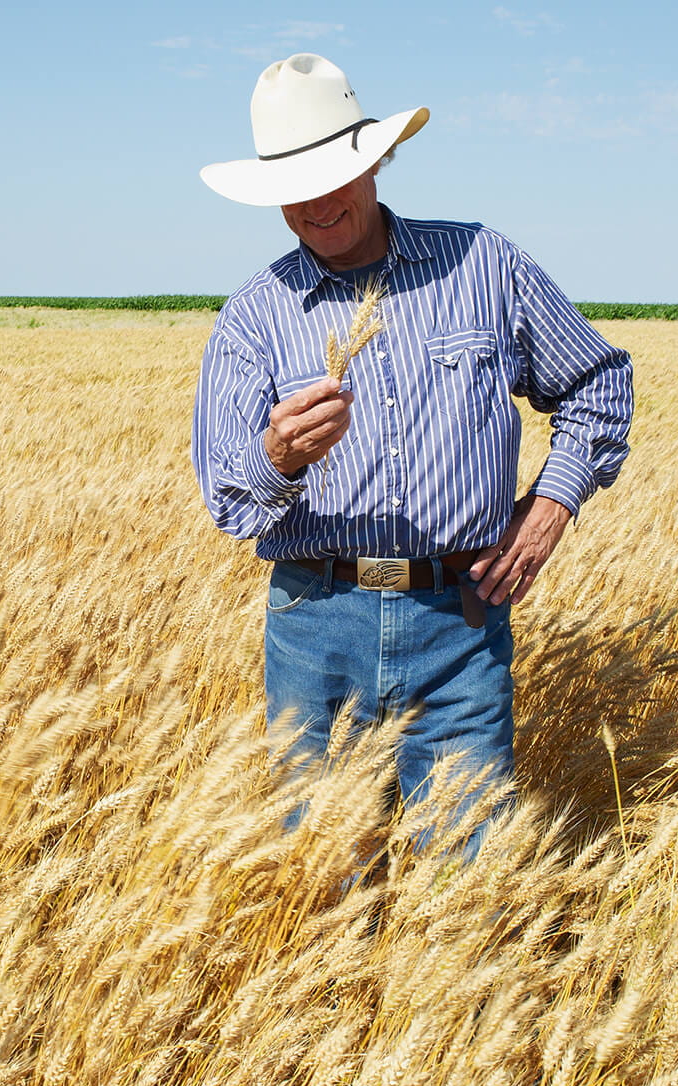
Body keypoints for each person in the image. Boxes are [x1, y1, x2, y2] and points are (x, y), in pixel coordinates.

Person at [192, 53, 633, 859]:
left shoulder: (483, 265)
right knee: (322, 888)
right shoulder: (255, 316)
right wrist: (278, 456)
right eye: (295, 186)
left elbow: (598, 384)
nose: (319, 202)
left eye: (336, 173)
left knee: (466, 883)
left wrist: (547, 510)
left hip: (457, 625)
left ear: (376, 159)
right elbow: (228, 495)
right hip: (315, 628)